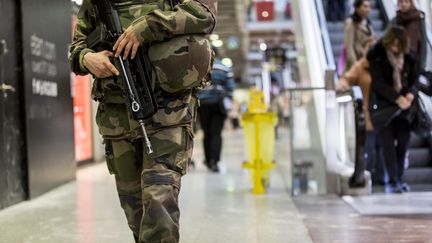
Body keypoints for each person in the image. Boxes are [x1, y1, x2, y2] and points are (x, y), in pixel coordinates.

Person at [70, 0, 217, 242]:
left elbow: (204, 13)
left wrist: (146, 27)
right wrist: (87, 58)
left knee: (159, 198)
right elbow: (77, 49)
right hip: (117, 114)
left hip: (167, 110)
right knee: (135, 211)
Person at [367, 25, 420, 193]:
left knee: (403, 143)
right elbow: (378, 83)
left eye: (398, 45)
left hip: (405, 109)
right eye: (392, 44)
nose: (395, 48)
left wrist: (410, 94)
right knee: (387, 145)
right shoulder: (378, 57)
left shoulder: (409, 58)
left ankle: (399, 176)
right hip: (385, 107)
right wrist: (397, 98)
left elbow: (416, 80)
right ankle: (393, 180)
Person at [336, 58, 387, 185]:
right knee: (367, 149)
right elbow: (346, 79)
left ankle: (384, 179)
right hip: (368, 116)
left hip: (385, 117)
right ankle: (366, 177)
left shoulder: (386, 65)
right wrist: (342, 84)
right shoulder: (360, 67)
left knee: (384, 149)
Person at [197, 52, 235, 172]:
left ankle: (208, 160)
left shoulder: (200, 67)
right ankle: (215, 160)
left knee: (206, 133)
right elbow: (231, 87)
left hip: (203, 105)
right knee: (216, 133)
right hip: (219, 105)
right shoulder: (225, 68)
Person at [394, 0, 427, 76]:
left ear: (411, 3)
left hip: (414, 60)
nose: (403, 4)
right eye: (401, 2)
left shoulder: (419, 18)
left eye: (406, 2)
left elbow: (423, 42)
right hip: (398, 60)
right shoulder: (396, 19)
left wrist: (422, 64)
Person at [344, 0, 375, 71]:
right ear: (357, 8)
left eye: (369, 7)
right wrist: (356, 65)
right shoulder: (350, 23)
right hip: (357, 64)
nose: (368, 9)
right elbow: (349, 47)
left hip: (367, 61)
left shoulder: (368, 23)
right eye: (365, 6)